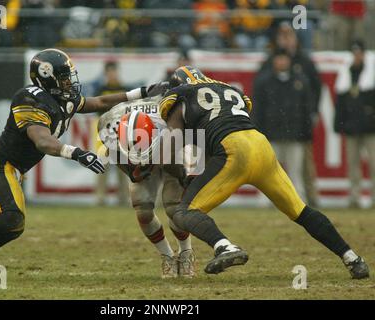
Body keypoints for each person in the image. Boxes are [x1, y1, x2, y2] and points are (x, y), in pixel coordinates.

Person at [0, 48, 166, 280]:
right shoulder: (30, 99)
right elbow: (42, 141)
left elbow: (100, 101)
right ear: (48, 78)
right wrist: (77, 153)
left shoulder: (62, 98)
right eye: (64, 78)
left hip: (14, 168)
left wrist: (143, 92)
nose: (70, 83)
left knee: (14, 225)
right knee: (11, 217)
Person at [149, 65, 369, 279]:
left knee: (184, 212)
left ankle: (224, 247)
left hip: (234, 151)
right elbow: (216, 131)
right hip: (260, 146)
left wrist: (156, 166)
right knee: (300, 211)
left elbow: (172, 146)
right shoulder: (228, 90)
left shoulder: (181, 97)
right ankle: (352, 257)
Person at [97, 97, 195, 278]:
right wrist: (131, 172)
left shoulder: (170, 126)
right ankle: (167, 255)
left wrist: (174, 168)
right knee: (142, 209)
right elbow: (114, 153)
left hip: (172, 151)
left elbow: (179, 165)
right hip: (143, 137)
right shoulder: (109, 126)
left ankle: (186, 252)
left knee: (174, 206)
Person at [253, 48, 314, 201]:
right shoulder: (264, 81)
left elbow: (307, 109)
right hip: (271, 135)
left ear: (290, 60)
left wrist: (306, 133)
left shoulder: (300, 81)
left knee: (295, 173)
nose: (282, 62)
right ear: (274, 61)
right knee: (267, 173)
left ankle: (299, 204)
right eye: (279, 58)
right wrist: (258, 134)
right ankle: (264, 203)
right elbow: (258, 109)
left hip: (295, 135)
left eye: (284, 58)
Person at [334, 40, 375, 209]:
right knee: (353, 164)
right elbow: (340, 103)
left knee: (374, 163)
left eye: (359, 53)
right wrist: (339, 124)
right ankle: (354, 196)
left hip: (371, 127)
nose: (357, 56)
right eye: (354, 53)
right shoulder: (346, 73)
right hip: (352, 127)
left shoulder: (371, 73)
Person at [95, 61, 129, 206]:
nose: (112, 74)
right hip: (104, 132)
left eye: (113, 71)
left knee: (124, 168)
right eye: (109, 72)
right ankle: (100, 198)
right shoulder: (102, 90)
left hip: (122, 131)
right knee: (102, 166)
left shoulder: (124, 90)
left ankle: (124, 198)